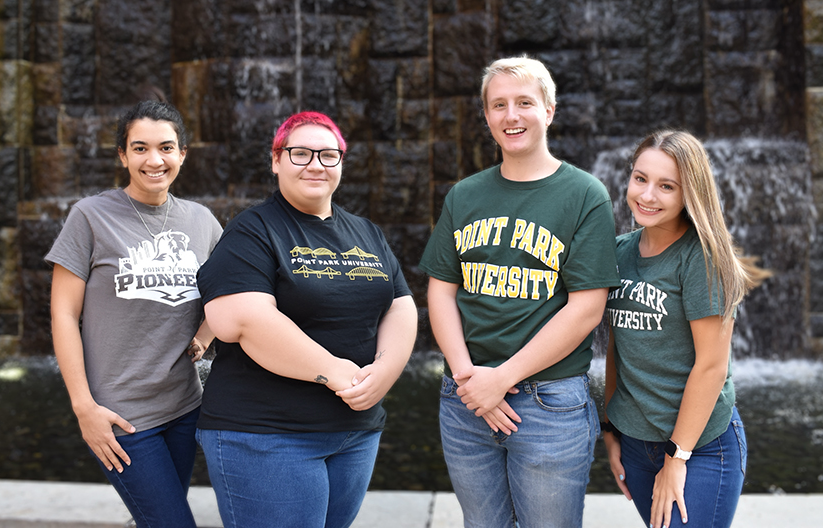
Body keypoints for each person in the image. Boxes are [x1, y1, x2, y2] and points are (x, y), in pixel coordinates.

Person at [419, 56, 621, 527]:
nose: (512, 116)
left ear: (549, 110)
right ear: (487, 116)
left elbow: (587, 309)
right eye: (499, 105)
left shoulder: (584, 195)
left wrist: (500, 379)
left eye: (524, 103)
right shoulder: (464, 196)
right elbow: (441, 292)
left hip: (548, 404)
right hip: (464, 399)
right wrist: (471, 380)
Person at [195, 111, 418, 528]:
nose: (316, 164)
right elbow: (239, 318)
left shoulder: (365, 231)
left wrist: (386, 371)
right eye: (300, 153)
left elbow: (400, 304)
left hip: (356, 432)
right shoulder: (253, 230)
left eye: (328, 155)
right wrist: (336, 373)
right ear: (276, 160)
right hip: (269, 435)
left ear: (341, 164)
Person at [47, 99, 223, 527]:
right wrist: (83, 408)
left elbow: (231, 298)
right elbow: (64, 315)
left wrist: (204, 335)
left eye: (166, 147)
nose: (154, 159)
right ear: (123, 155)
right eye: (140, 148)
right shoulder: (89, 216)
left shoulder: (202, 221)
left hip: (184, 407)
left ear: (183, 153)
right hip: (120, 417)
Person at [602, 130, 770, 528]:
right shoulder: (619, 252)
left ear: (688, 194)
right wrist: (610, 429)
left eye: (666, 186)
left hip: (701, 447)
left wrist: (677, 458)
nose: (647, 195)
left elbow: (711, 366)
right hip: (635, 444)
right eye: (640, 179)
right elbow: (617, 347)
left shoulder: (701, 259)